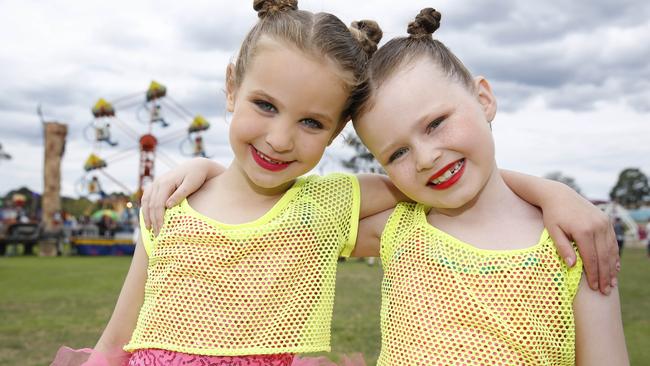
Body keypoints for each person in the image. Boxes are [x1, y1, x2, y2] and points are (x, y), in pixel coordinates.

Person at [57, 2, 619, 366]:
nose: (279, 140)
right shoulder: (169, 210)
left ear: (332, 135)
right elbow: (112, 345)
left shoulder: (331, 210)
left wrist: (555, 192)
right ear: (232, 87)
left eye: (310, 122)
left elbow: (436, 184)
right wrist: (201, 169)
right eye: (264, 105)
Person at [346, 8, 627, 364]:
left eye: (435, 124)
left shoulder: (573, 245)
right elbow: (299, 207)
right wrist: (549, 190)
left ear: (483, 99)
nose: (425, 159)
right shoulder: (398, 230)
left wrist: (551, 192)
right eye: (397, 153)